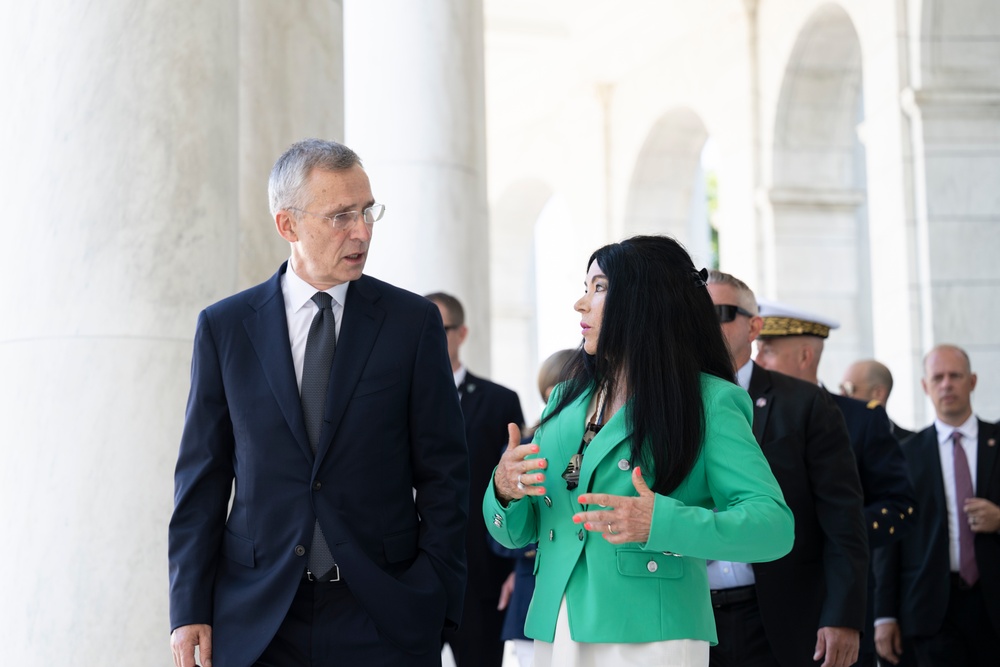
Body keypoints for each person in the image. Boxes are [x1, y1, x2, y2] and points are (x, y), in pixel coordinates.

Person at [168, 139, 469, 667]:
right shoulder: (224, 329)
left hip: (381, 613)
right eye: (341, 217)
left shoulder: (412, 324)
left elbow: (446, 472)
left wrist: (434, 595)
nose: (362, 231)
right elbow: (202, 479)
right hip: (258, 617)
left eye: (367, 211)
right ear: (287, 225)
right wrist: (188, 606)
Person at [484, 235, 794, 667]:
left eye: (598, 287)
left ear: (643, 299)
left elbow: (773, 527)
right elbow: (516, 532)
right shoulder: (565, 400)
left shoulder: (709, 402)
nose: (580, 303)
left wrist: (660, 522)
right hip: (556, 624)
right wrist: (504, 490)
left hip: (652, 632)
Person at [705, 270, 868, 667]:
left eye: (720, 313)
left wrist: (842, 617)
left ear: (754, 326)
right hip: (695, 617)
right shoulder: (669, 404)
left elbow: (842, 518)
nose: (704, 325)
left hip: (783, 616)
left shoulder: (805, 403)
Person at [755, 300, 916, 667]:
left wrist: (841, 529)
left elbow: (901, 505)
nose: (758, 361)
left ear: (805, 355)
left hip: (837, 597)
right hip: (770, 604)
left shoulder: (860, 419)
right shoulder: (748, 412)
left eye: (767, 352)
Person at [873, 345, 1000, 667]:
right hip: (929, 611)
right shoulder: (904, 454)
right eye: (938, 377)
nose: (946, 384)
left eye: (955, 376)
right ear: (925, 386)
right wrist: (884, 615)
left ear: (972, 381)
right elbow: (890, 540)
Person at [424, 292, 524, 667]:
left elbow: (517, 492)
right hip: (408, 578)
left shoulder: (500, 402)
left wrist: (516, 567)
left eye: (439, 327)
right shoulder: (389, 398)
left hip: (480, 579)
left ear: (461, 333)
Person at [491, 348, 577, 667]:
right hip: (532, 594)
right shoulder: (522, 449)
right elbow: (499, 536)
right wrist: (545, 540)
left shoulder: (595, 446)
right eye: (554, 395)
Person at [840, 359, 914, 440]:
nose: (842, 395)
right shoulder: (837, 441)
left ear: (879, 393)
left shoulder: (912, 444)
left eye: (848, 389)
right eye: (841, 388)